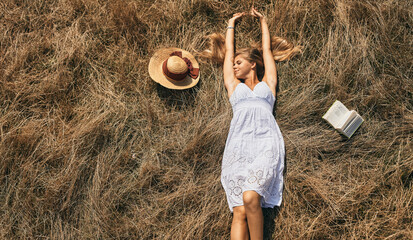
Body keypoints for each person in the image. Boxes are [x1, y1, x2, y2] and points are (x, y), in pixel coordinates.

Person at [202, 7, 300, 240]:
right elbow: (227, 55)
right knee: (239, 210)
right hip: (238, 147)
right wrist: (230, 25)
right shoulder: (234, 87)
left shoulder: (269, 83)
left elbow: (266, 50)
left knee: (250, 197)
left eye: (239, 62)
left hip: (266, 143)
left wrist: (263, 22)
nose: (234, 66)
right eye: (234, 63)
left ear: (253, 64)